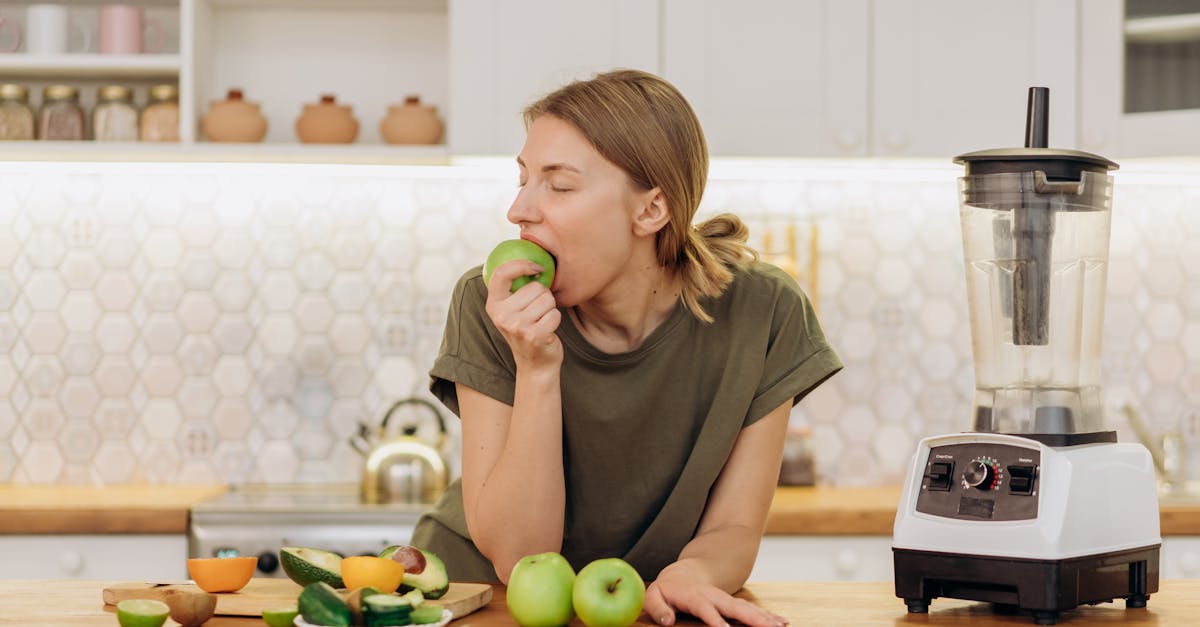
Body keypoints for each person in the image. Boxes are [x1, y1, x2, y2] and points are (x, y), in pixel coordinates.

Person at [412, 68, 841, 627]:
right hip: (480, 599)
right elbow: (520, 555)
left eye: (558, 185)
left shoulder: (764, 312)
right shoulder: (488, 302)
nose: (518, 211)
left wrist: (694, 575)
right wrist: (537, 368)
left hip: (644, 609)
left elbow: (734, 526)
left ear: (650, 210)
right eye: (522, 180)